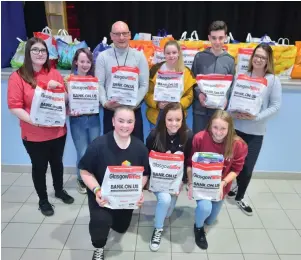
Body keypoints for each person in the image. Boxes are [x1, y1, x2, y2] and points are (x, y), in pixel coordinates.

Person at [7, 37, 74, 217]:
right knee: (39, 167)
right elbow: (14, 106)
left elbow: (64, 101)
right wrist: (32, 120)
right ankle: (43, 200)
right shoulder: (17, 77)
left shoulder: (53, 73)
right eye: (35, 50)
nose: (39, 53)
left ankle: (59, 191)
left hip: (58, 131)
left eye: (43, 50)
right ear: (28, 53)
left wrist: (64, 89)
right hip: (34, 134)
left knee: (57, 164)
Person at [78, 106, 150, 260]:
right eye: (121, 121)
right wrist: (97, 190)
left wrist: (139, 191)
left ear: (134, 123)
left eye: (129, 121)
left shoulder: (140, 148)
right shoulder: (98, 145)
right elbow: (84, 171)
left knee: (121, 227)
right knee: (101, 222)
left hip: (125, 198)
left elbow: (144, 174)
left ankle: (116, 221)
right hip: (101, 195)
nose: (125, 125)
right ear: (112, 121)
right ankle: (98, 247)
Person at [227, 43, 282, 215]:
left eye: (263, 57)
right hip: (237, 128)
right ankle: (233, 187)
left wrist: (255, 117)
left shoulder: (273, 80)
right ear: (252, 57)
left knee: (248, 167)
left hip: (256, 132)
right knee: (233, 163)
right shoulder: (242, 76)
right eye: (256, 56)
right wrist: (233, 112)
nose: (258, 59)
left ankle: (240, 197)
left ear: (268, 60)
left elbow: (275, 106)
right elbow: (232, 100)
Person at [187, 110, 248, 250]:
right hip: (201, 185)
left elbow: (236, 170)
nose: (219, 132)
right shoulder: (199, 138)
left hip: (221, 186)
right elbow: (190, 164)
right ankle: (198, 228)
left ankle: (203, 220)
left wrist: (223, 183)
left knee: (210, 219)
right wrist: (190, 183)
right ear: (209, 126)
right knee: (204, 208)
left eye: (223, 128)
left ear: (230, 128)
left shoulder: (238, 145)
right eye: (215, 127)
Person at [146, 102, 194, 251]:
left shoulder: (188, 135)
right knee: (165, 199)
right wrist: (147, 180)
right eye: (170, 119)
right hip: (157, 179)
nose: (174, 124)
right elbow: (145, 158)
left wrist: (184, 181)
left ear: (183, 119)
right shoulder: (154, 135)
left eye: (178, 120)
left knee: (168, 211)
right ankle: (158, 229)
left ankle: (164, 212)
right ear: (163, 119)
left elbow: (188, 161)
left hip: (175, 181)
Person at [95, 21, 149, 142]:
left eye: (124, 33)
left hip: (133, 111)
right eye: (117, 34)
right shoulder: (102, 57)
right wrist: (105, 103)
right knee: (110, 151)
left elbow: (144, 85)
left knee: (135, 151)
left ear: (130, 35)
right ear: (111, 36)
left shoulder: (140, 56)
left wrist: (132, 104)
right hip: (111, 112)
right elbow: (99, 83)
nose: (121, 37)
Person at [65, 48, 101, 194]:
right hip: (77, 120)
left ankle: (92, 177)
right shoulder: (68, 80)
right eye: (82, 61)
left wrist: (96, 101)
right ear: (76, 62)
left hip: (93, 119)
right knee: (82, 151)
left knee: (94, 150)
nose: (85, 64)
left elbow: (99, 101)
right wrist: (68, 100)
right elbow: (64, 101)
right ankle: (81, 179)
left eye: (88, 61)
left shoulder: (95, 80)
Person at [191, 20, 235, 134]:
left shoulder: (230, 60)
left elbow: (231, 85)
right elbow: (192, 80)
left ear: (225, 37)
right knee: (198, 143)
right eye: (214, 38)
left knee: (217, 145)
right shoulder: (199, 57)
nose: (217, 41)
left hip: (219, 113)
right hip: (200, 111)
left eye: (220, 38)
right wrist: (199, 94)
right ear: (209, 38)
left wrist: (226, 98)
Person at [145, 40, 196, 128]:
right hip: (156, 117)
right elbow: (147, 94)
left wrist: (179, 104)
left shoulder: (186, 72)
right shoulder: (155, 70)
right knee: (155, 141)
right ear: (164, 54)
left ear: (179, 53)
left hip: (177, 118)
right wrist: (157, 104)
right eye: (168, 53)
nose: (171, 56)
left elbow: (189, 96)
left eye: (174, 52)